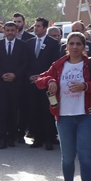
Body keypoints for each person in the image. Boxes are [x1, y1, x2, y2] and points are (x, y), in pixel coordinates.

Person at [36, 32, 91, 181]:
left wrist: (86, 86)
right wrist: (51, 80)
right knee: (67, 157)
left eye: (78, 44)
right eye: (71, 44)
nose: (75, 47)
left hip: (87, 116)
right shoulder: (59, 65)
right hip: (64, 116)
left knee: (85, 156)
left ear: (84, 47)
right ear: (66, 46)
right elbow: (39, 80)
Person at [0, 20, 31, 149]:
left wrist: (15, 75)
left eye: (12, 30)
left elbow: (25, 63)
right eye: (7, 30)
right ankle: (2, 136)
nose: (10, 33)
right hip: (1, 83)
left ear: (16, 31)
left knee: (14, 111)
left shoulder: (22, 45)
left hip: (16, 83)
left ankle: (11, 136)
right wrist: (2, 74)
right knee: (2, 111)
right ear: (4, 31)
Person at [27, 17, 63, 150]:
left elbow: (54, 64)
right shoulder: (29, 42)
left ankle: (49, 138)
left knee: (47, 111)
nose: (35, 28)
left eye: (39, 26)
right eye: (35, 25)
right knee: (34, 110)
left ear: (45, 28)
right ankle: (38, 138)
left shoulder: (53, 43)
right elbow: (26, 62)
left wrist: (44, 77)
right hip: (32, 83)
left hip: (48, 84)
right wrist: (30, 76)